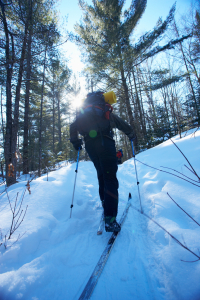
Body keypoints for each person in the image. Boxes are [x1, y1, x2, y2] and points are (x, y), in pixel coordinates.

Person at [70, 91, 135, 232]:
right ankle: (110, 219)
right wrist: (131, 134)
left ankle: (106, 203)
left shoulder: (84, 112)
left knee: (101, 174)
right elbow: (121, 123)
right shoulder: (104, 110)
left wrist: (76, 143)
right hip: (105, 143)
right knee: (110, 178)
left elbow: (72, 127)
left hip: (90, 146)